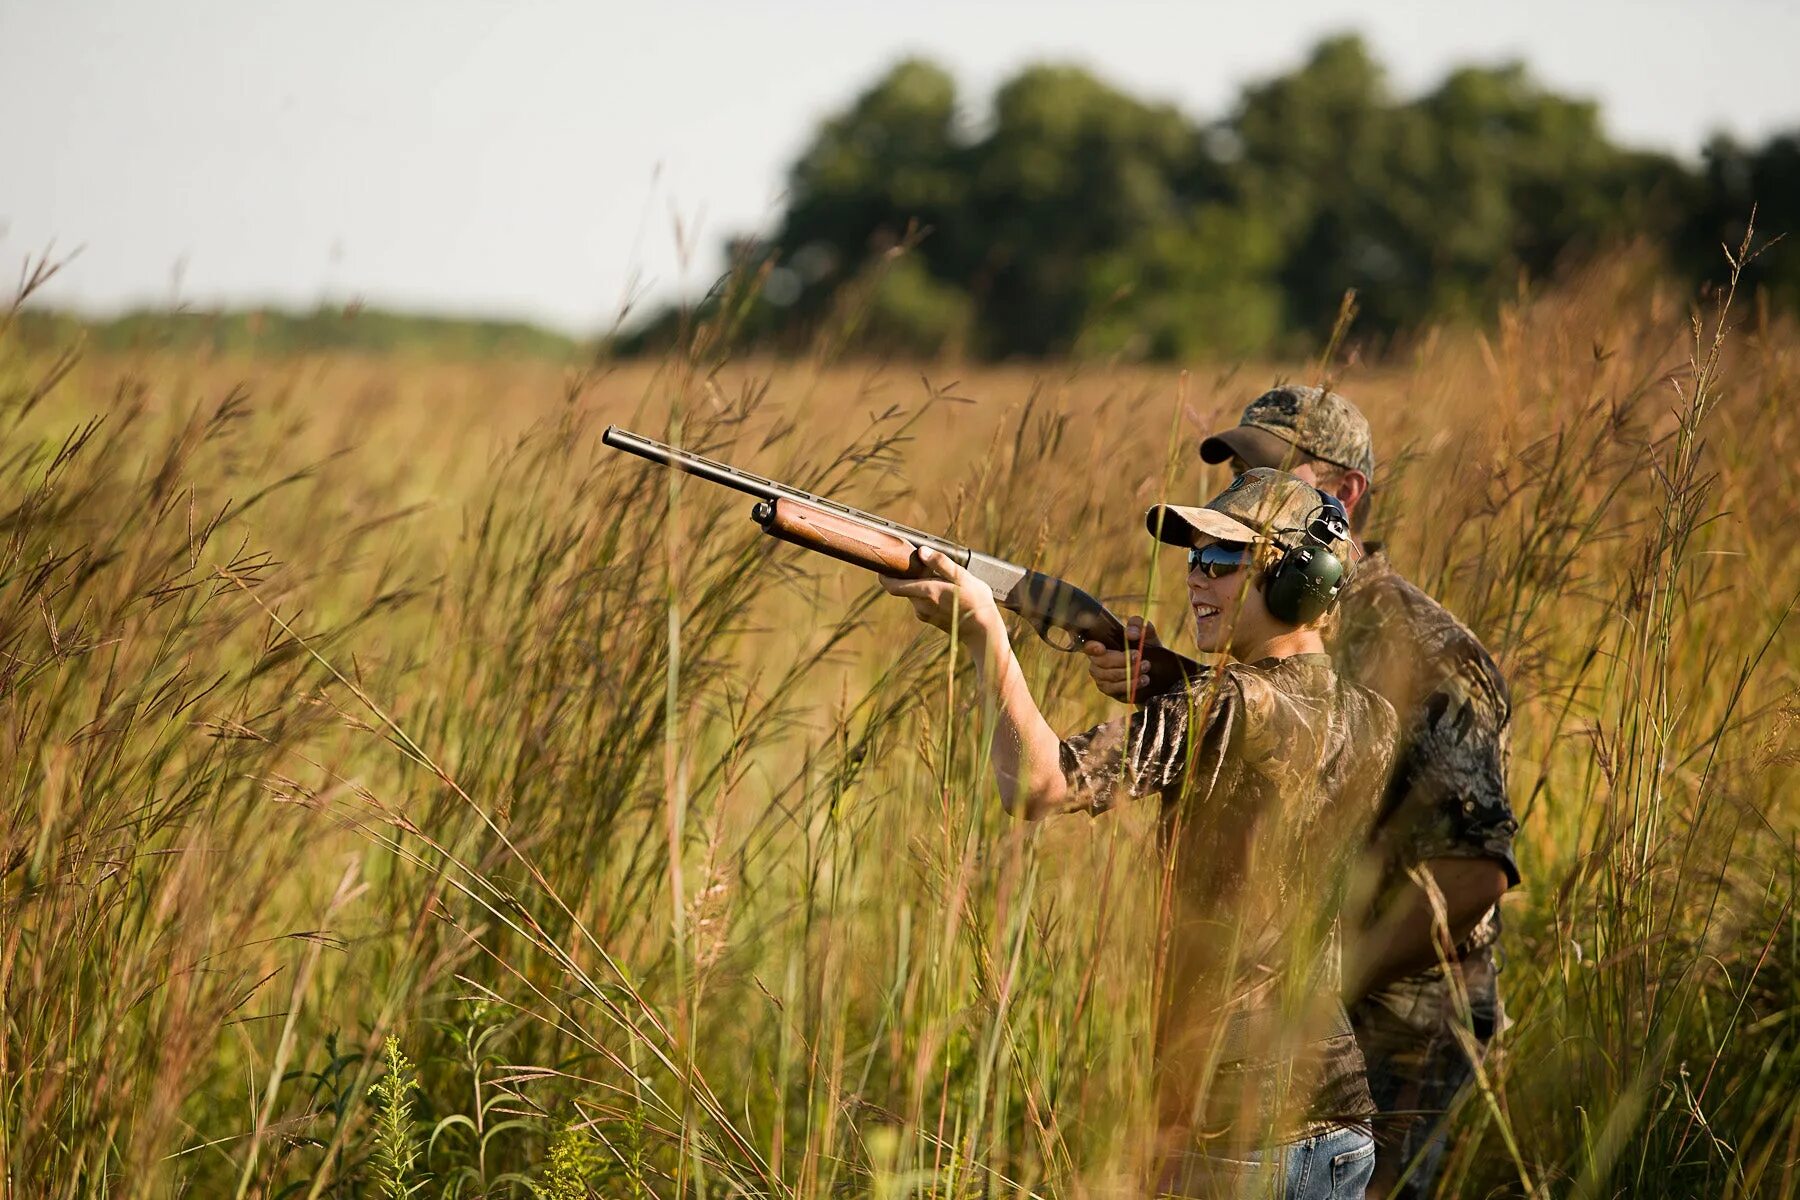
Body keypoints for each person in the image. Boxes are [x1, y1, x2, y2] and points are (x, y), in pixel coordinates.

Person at [882, 468, 1397, 1199]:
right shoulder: (1372, 715)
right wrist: (1170, 681)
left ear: (1296, 580)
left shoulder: (1222, 705)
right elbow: (1281, 730)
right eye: (1192, 558)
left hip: (1234, 1128)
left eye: (1222, 562)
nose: (1196, 577)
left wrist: (985, 635)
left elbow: (1037, 785)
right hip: (1339, 1121)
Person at [1085, 385, 1520, 1199]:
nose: (1239, 497)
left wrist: (1311, 991)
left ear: (1342, 498)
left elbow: (1474, 876)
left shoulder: (1428, 655)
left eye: (1265, 471)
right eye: (1235, 473)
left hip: (1394, 1024)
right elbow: (1293, 741)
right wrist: (1173, 692)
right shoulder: (1262, 628)